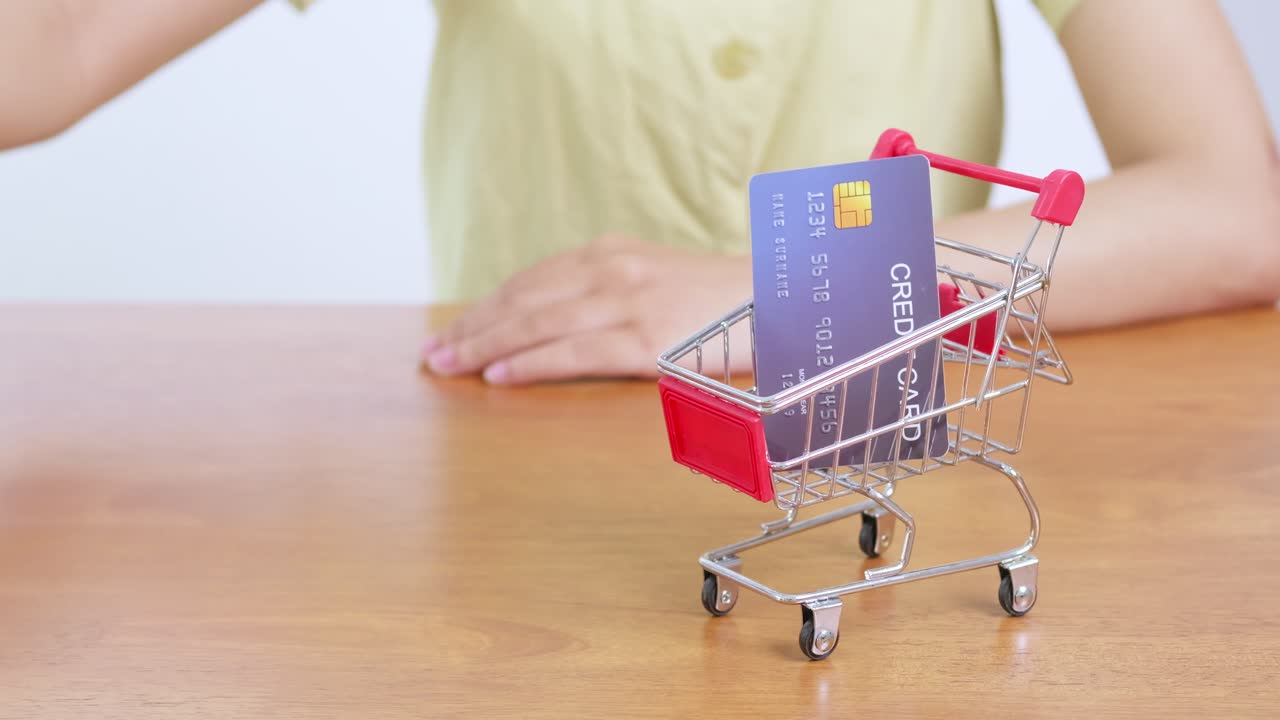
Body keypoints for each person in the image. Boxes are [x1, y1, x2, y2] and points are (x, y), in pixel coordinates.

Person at [2, 1, 1276, 385]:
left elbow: (1234, 208)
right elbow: (48, 51)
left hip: (866, 449)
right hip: (516, 468)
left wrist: (787, 291)